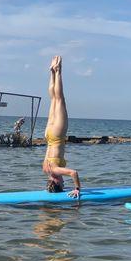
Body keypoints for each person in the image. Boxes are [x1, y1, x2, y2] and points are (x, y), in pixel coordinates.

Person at [43, 56, 81, 197]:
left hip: (57, 135)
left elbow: (73, 173)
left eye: (63, 184)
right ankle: (52, 73)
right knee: (53, 100)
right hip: (48, 135)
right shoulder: (45, 169)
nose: (64, 183)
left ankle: (58, 71)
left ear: (57, 182)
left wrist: (77, 188)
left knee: (59, 99)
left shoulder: (55, 171)